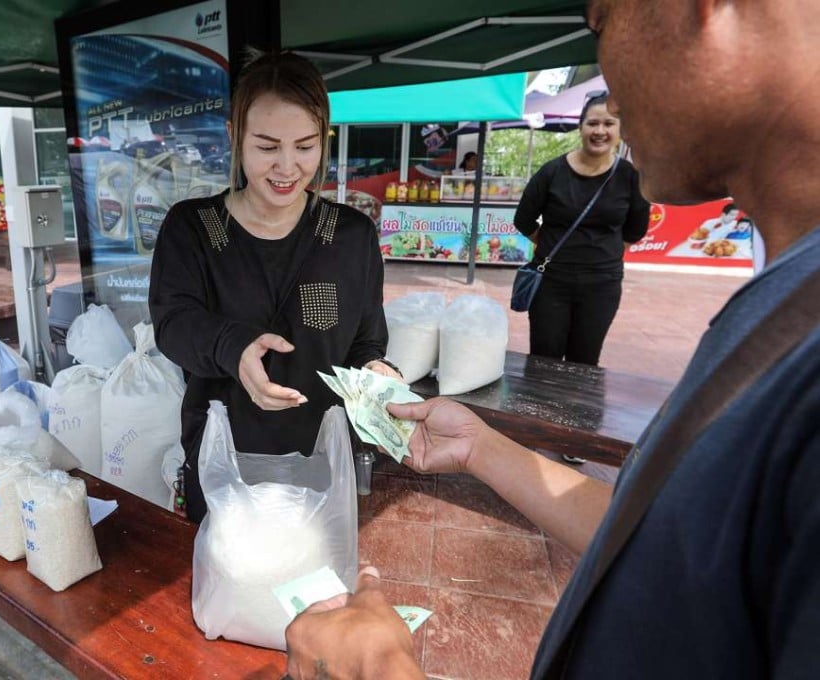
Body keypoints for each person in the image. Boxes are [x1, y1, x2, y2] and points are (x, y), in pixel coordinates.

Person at [284, 0, 820, 678]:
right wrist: (484, 447)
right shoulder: (788, 294)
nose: (605, 77)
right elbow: (678, 539)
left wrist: (380, 670)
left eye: (601, 20)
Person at [148, 51, 398, 522]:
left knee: (315, 588)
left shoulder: (349, 235)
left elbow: (366, 340)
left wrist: (378, 371)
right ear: (234, 138)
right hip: (222, 458)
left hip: (319, 459)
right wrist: (234, 347)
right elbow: (173, 324)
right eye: (267, 147)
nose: (287, 167)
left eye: (305, 146)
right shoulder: (195, 228)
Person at [514, 93, 650, 369]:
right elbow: (524, 219)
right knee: (544, 360)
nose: (600, 131)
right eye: (592, 123)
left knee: (585, 362)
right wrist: (549, 247)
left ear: (620, 130)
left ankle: (578, 414)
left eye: (609, 124)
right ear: (581, 127)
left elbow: (635, 230)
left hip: (602, 285)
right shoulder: (552, 172)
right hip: (551, 282)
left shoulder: (630, 176)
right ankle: (538, 413)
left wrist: (602, 256)